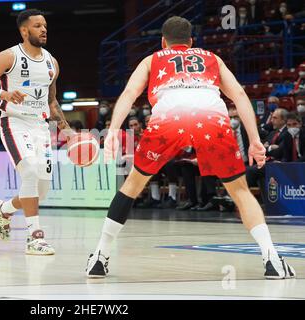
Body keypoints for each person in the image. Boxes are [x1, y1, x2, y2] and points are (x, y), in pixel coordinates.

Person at [85, 16, 295, 279]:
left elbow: (128, 94)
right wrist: (254, 139)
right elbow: (239, 95)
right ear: (191, 41)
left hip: (168, 119)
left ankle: (100, 258)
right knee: (240, 191)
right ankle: (272, 260)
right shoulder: (211, 58)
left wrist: (114, 130)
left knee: (132, 186)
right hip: (212, 119)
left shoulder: (152, 59)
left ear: (164, 42)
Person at [0, 9, 72, 255]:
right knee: (28, 171)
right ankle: (35, 237)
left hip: (41, 127)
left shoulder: (52, 62)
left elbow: (52, 101)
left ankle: (4, 209)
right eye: (38, 26)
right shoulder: (9, 56)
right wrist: (3, 94)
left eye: (45, 25)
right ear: (24, 30)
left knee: (41, 191)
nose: (44, 29)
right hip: (14, 122)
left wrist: (66, 129)